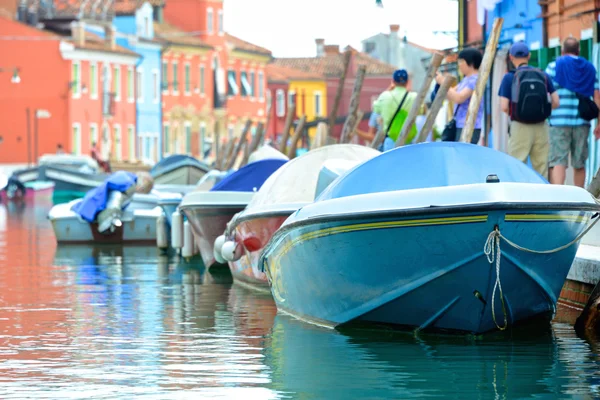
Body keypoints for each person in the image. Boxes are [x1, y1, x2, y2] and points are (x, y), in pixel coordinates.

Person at [498, 41, 559, 179]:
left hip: (519, 126)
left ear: (511, 57)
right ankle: (541, 198)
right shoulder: (542, 75)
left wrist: (518, 113)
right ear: (529, 56)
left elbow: (504, 106)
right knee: (541, 166)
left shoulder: (509, 77)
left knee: (517, 164)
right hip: (541, 126)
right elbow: (556, 101)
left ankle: (520, 197)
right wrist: (542, 112)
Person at [545, 37, 600, 187]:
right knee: (579, 163)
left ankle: (558, 198)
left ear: (562, 51)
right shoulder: (589, 68)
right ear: (578, 50)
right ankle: (579, 199)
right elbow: (597, 97)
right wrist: (599, 123)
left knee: (558, 161)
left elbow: (546, 94)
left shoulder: (553, 66)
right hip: (582, 121)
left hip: (558, 122)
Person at [435, 47, 484, 144]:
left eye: (461, 61)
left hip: (470, 126)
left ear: (471, 63)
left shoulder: (475, 80)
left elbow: (459, 98)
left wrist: (444, 83)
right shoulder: (466, 79)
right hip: (460, 124)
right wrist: (442, 83)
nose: (459, 65)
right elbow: (451, 95)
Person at [373, 69, 417, 151]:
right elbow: (421, 111)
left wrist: (389, 89)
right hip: (409, 141)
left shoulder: (385, 96)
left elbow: (375, 108)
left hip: (391, 141)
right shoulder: (414, 97)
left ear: (393, 81)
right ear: (407, 82)